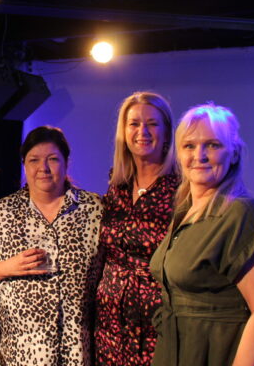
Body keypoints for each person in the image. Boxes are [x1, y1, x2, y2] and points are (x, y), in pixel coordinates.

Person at [150, 104, 254, 365]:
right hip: (180, 349)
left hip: (221, 352)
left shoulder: (242, 213)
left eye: (212, 145)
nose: (199, 155)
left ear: (233, 154)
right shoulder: (186, 212)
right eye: (189, 146)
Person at [0, 126, 102, 365]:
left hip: (79, 349)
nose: (43, 168)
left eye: (52, 159)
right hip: (21, 351)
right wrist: (7, 267)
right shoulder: (4, 212)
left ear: (66, 162)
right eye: (34, 160)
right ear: (24, 164)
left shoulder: (93, 209)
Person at [94, 92, 179, 365]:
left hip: (159, 318)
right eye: (134, 124)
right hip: (110, 320)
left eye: (152, 124)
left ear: (167, 132)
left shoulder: (182, 187)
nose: (142, 131)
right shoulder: (116, 185)